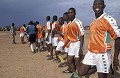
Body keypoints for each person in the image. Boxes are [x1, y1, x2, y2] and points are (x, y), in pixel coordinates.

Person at [78, 0, 120, 78]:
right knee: (81, 72)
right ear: (92, 7)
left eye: (100, 4)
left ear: (104, 6)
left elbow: (117, 38)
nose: (97, 6)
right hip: (91, 52)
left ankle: (104, 67)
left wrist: (115, 58)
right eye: (95, 4)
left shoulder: (108, 19)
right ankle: (97, 67)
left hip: (102, 53)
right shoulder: (93, 21)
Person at [62, 8, 85, 78]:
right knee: (69, 61)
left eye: (71, 12)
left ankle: (79, 75)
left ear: (75, 13)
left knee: (77, 62)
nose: (70, 14)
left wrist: (81, 48)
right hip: (72, 44)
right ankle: (75, 74)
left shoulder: (78, 22)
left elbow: (82, 35)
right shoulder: (69, 24)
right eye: (69, 13)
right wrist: (64, 45)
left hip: (78, 43)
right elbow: (69, 37)